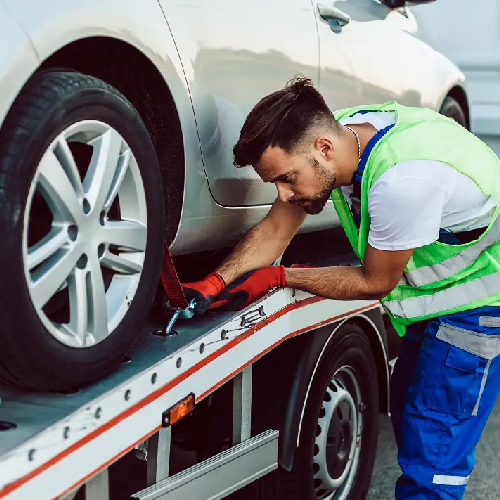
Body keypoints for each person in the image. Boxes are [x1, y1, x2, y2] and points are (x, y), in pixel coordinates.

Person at [182, 76, 500, 499]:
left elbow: (376, 282)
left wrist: (281, 277)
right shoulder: (344, 134)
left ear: (323, 149)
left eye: (286, 178)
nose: (283, 193)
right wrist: (215, 280)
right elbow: (276, 229)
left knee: (434, 456)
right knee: (411, 416)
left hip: (478, 306)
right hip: (438, 301)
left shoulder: (401, 182)